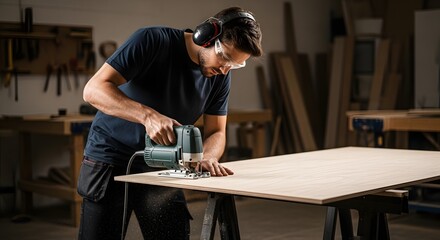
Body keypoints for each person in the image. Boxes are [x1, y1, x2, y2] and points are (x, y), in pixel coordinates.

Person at [77, 6, 263, 240]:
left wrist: (207, 156)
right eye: (225, 58)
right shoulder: (152, 41)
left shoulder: (219, 75)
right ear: (206, 36)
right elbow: (93, 90)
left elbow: (217, 132)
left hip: (164, 165)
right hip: (110, 160)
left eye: (235, 65)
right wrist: (148, 116)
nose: (226, 69)